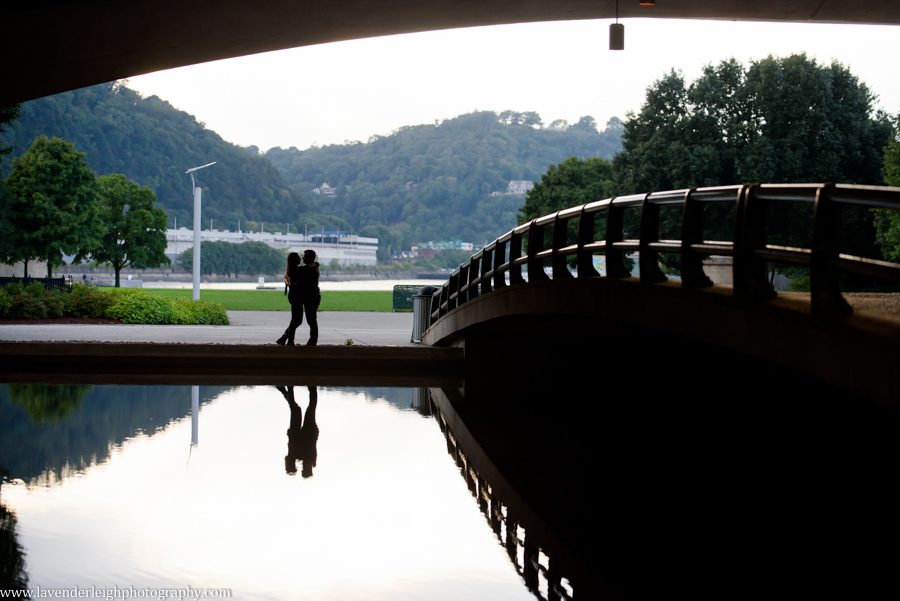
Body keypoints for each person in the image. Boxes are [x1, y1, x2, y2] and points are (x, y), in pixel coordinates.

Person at [275, 249, 321, 346]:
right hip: (303, 298)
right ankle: (294, 340)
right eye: (300, 257)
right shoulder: (303, 270)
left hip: (305, 298)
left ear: (309, 258)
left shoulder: (303, 269)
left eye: (304, 256)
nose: (302, 258)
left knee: (300, 320)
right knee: (304, 320)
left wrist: (315, 265)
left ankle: (286, 339)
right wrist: (315, 264)